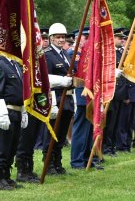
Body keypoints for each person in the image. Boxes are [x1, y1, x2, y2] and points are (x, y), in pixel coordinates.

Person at [0, 47, 29, 189]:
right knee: (3, 146)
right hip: (5, 111)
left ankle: (6, 176)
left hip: (16, 111)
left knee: (12, 146)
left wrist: (23, 111)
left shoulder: (16, 64)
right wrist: (2, 114)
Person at [42, 23, 74, 175]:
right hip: (54, 98)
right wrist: (62, 80)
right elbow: (45, 78)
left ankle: (57, 162)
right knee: (52, 132)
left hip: (67, 98)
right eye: (58, 37)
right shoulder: (47, 54)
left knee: (61, 134)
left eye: (63, 37)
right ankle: (48, 164)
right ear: (52, 38)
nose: (61, 40)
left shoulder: (65, 54)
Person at [70, 27, 103, 170]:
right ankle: (77, 160)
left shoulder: (89, 53)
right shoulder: (74, 53)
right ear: (78, 38)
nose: (89, 40)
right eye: (85, 37)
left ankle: (87, 159)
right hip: (82, 95)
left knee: (90, 129)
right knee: (81, 129)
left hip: (92, 95)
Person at [101, 28, 127, 157]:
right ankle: (106, 147)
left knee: (115, 122)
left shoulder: (119, 53)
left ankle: (111, 146)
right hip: (109, 91)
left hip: (118, 92)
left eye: (123, 38)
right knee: (108, 122)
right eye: (119, 38)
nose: (122, 40)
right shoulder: (108, 53)